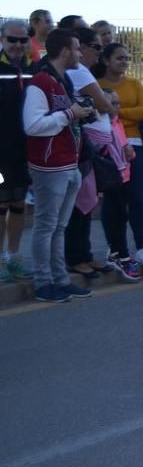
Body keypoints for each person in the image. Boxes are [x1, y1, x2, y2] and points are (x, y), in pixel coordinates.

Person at [23, 29, 95, 302]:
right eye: (77, 49)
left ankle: (61, 280)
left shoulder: (61, 81)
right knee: (46, 226)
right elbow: (33, 125)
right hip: (49, 166)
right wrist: (69, 113)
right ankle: (43, 284)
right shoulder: (41, 82)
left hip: (68, 164)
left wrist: (80, 113)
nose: (80, 54)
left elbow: (64, 118)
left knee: (58, 227)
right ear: (65, 51)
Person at [97, 42, 143, 265]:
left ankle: (142, 245)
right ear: (106, 60)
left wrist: (115, 111)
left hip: (133, 144)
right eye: (119, 58)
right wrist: (117, 115)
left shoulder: (134, 84)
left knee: (138, 196)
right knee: (114, 201)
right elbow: (99, 113)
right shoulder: (97, 85)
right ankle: (115, 248)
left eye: (126, 58)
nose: (124, 62)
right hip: (108, 145)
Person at [64, 27, 114, 278]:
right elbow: (105, 105)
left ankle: (83, 254)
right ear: (81, 48)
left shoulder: (82, 71)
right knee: (79, 202)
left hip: (89, 145)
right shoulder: (80, 72)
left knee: (86, 201)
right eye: (96, 47)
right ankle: (75, 257)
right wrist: (104, 102)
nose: (100, 51)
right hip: (82, 145)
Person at [0, 20, 33, 281]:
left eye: (23, 40)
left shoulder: (33, 69)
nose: (18, 45)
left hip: (22, 152)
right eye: (13, 39)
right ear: (2, 39)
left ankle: (12, 257)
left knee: (19, 205)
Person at [98, 89, 142, 282]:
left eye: (117, 103)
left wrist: (129, 152)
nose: (116, 107)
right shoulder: (100, 125)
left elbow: (124, 149)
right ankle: (121, 255)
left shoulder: (117, 123)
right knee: (115, 215)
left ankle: (116, 252)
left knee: (121, 215)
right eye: (112, 103)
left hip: (122, 174)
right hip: (109, 177)